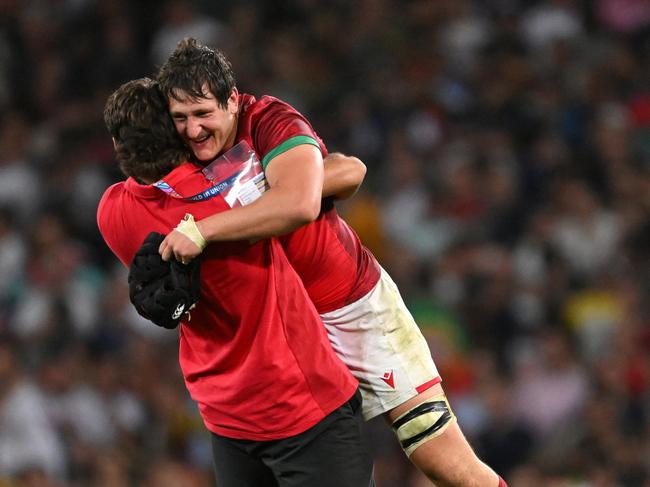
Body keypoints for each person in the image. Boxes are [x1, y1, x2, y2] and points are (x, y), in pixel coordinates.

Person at [155, 38, 507, 487]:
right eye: (180, 118)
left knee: (441, 461)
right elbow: (342, 169)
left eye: (203, 115)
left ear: (231, 102)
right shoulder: (178, 149)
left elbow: (302, 202)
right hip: (276, 330)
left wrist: (206, 229)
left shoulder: (268, 120)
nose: (192, 130)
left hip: (350, 305)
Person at [97, 77, 375, 487]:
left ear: (121, 149)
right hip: (303, 405)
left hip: (225, 417)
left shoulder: (112, 213)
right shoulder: (233, 192)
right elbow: (344, 174)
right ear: (177, 133)